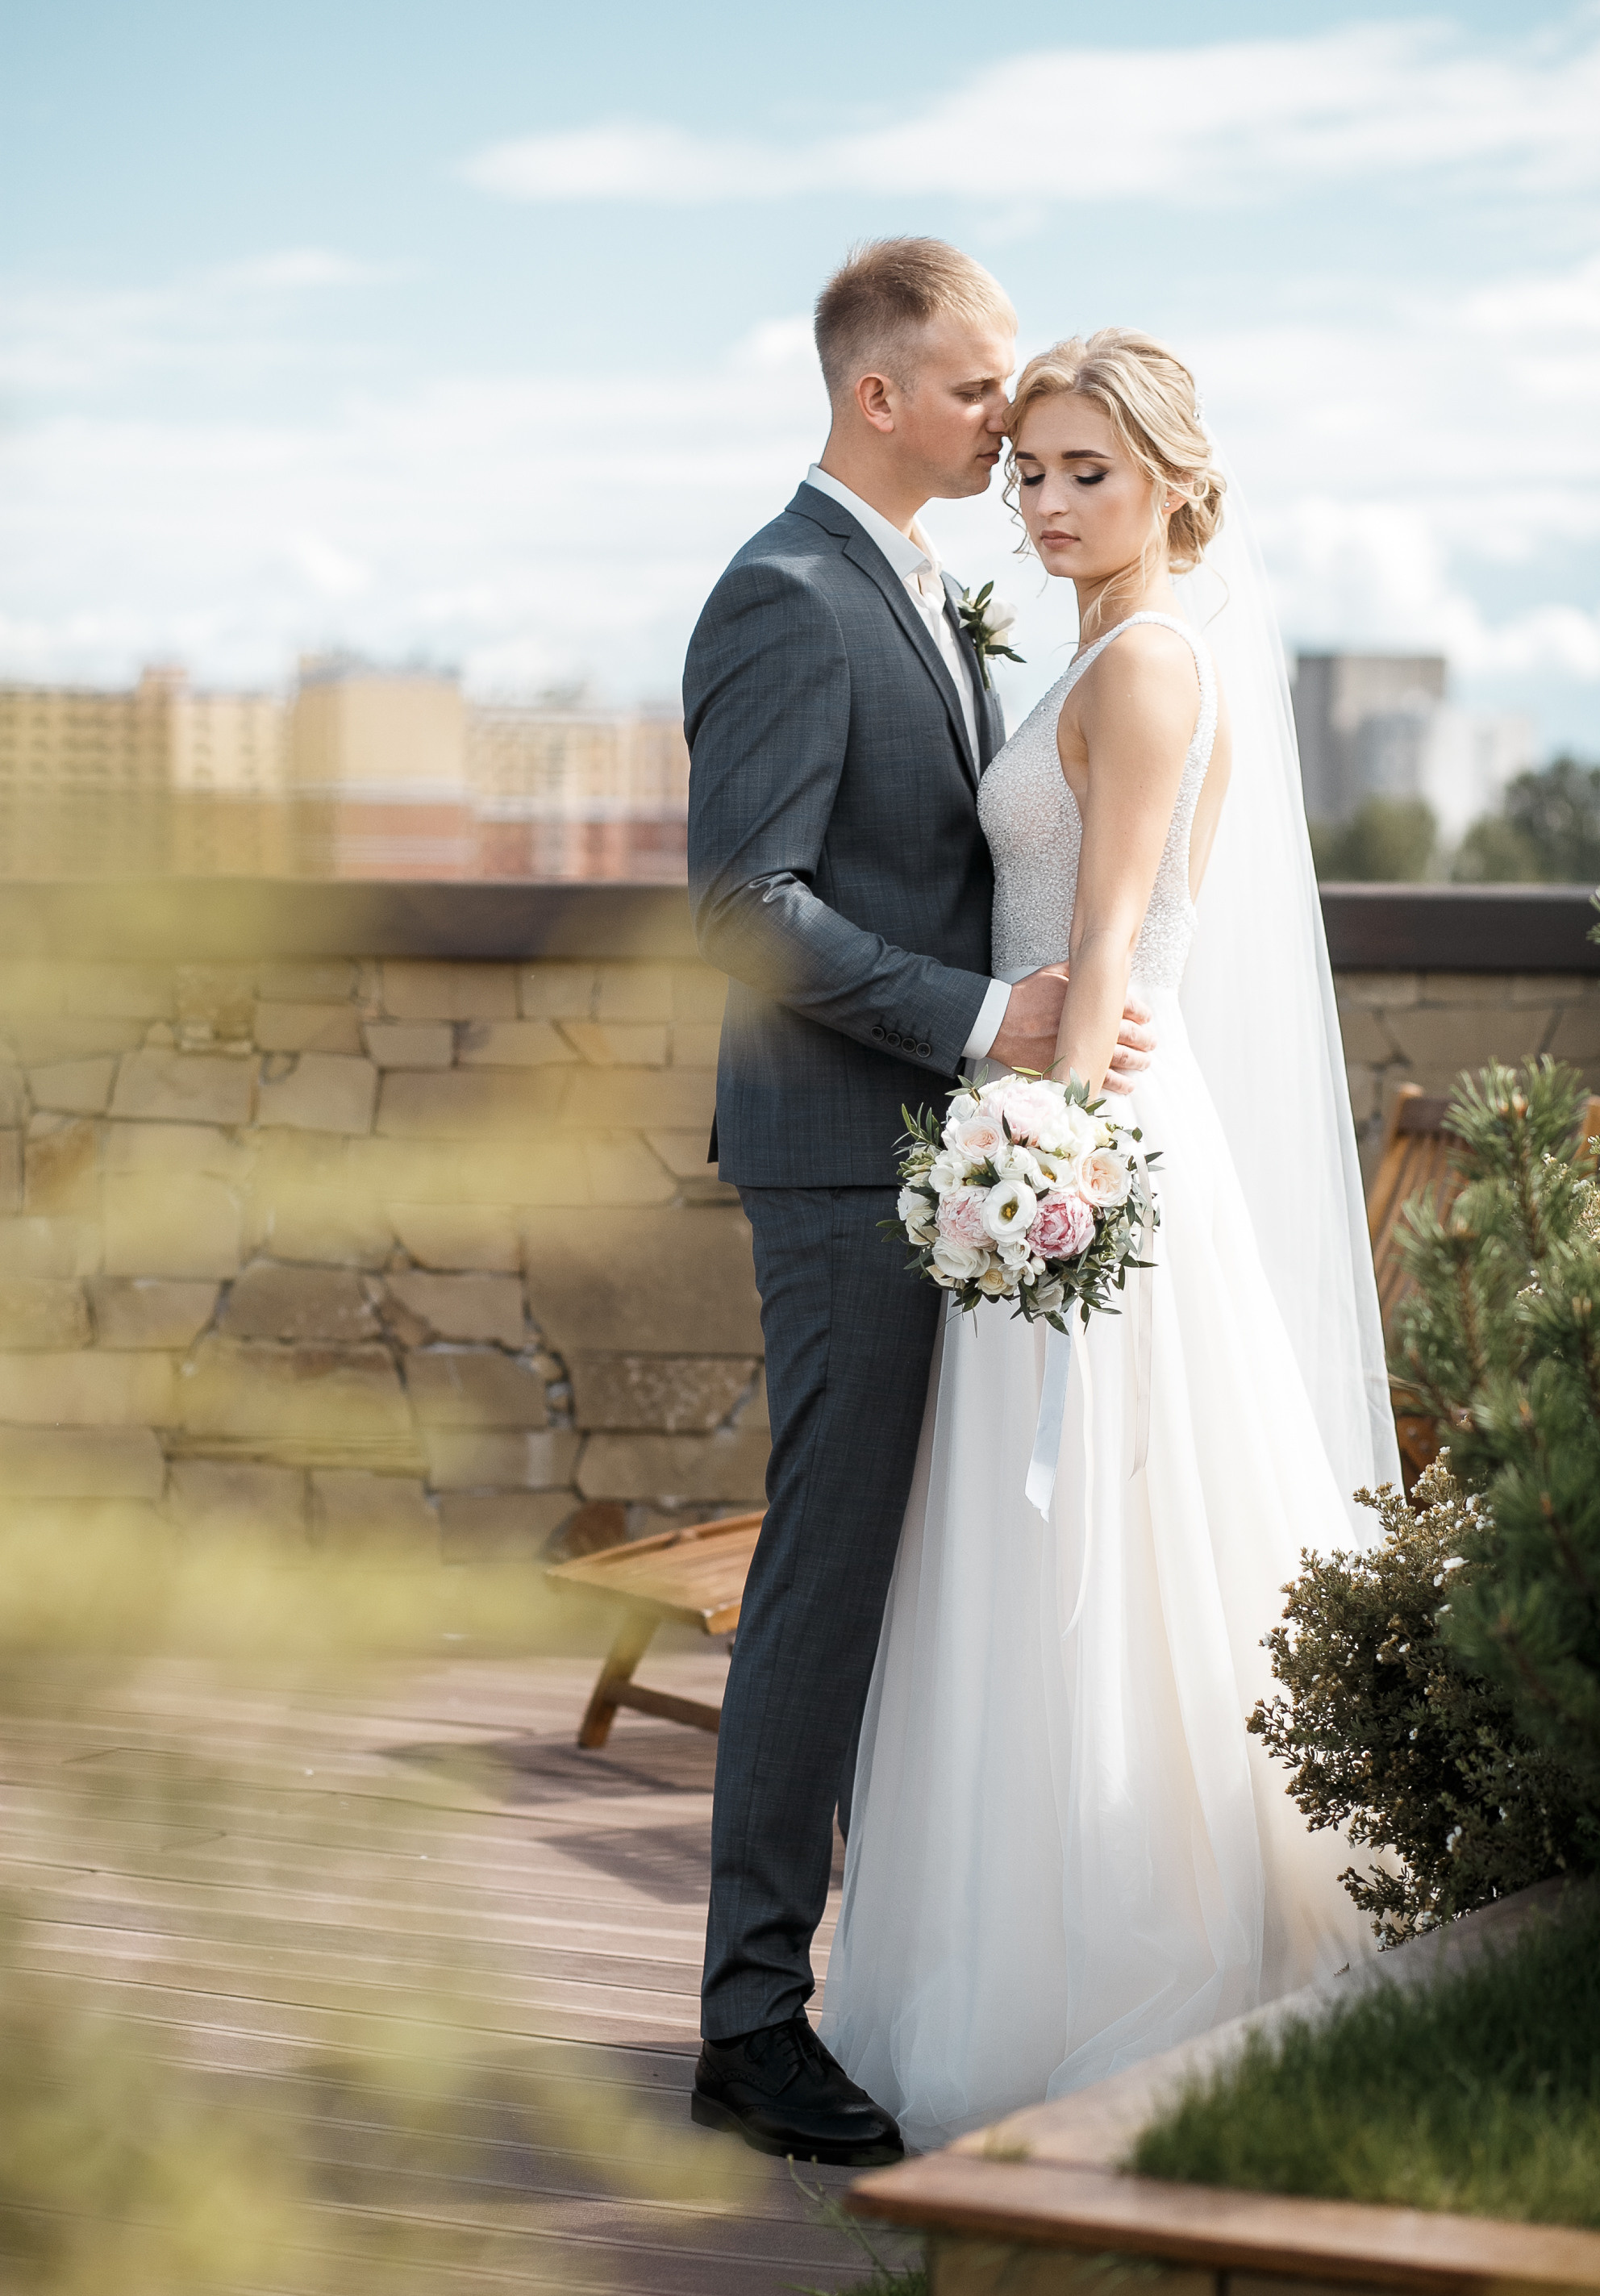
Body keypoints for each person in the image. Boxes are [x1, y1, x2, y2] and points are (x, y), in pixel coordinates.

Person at [819, 328, 1399, 2151]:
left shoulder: (1148, 663)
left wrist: (1045, 1171)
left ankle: (1125, 1966)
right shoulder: (1089, 640)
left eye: (1091, 472)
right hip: (1056, 1130)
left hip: (1089, 1158)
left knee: (1117, 1548)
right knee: (1041, 1555)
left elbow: (1121, 938)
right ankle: (1018, 1948)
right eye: (1035, 473)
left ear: (1169, 478)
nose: (1053, 503)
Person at [682, 243, 1160, 2165]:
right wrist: (986, 1020)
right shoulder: (788, 595)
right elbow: (746, 910)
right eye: (980, 395)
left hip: (939, 1160)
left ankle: (887, 1968)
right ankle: (746, 2022)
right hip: (837, 1157)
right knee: (829, 1569)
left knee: (908, 1575)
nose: (1008, 422)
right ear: (879, 395)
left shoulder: (912, 589)